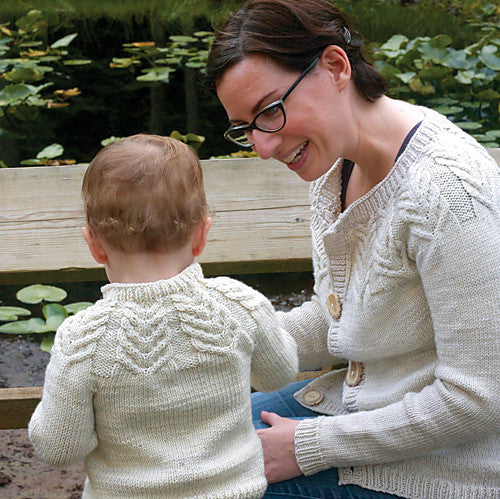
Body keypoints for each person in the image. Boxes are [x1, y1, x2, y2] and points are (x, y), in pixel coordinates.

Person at [205, 0, 500, 497]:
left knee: (205, 483)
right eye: (245, 128)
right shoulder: (336, 169)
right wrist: (221, 339)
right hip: (363, 413)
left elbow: (478, 398)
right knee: (172, 444)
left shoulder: (449, 192)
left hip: (447, 465)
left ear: (335, 66)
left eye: (269, 111)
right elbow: (341, 319)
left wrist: (309, 445)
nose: (262, 145)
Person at [28, 134, 298, 499]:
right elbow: (279, 374)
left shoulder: (83, 339)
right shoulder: (239, 305)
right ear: (202, 234)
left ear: (93, 244)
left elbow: (60, 448)